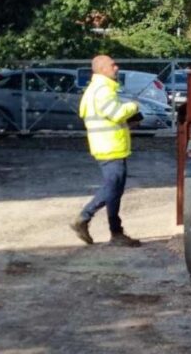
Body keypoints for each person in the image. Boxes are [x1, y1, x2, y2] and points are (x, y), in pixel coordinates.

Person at [69, 55, 142, 247]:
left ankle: (115, 232)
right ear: (101, 69)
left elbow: (109, 118)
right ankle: (85, 218)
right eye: (112, 65)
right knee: (112, 188)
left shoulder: (97, 90)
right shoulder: (103, 91)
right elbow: (116, 114)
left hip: (107, 146)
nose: (116, 68)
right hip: (110, 147)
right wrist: (134, 106)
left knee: (114, 189)